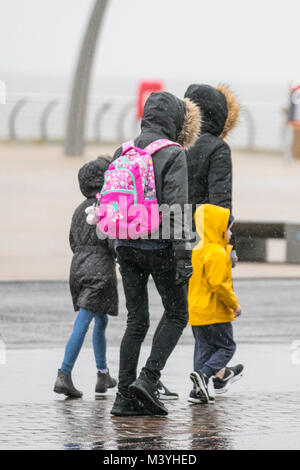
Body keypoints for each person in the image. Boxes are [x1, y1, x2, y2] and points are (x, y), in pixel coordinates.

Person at [110, 91, 201, 416]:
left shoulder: (125, 149)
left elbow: (112, 197)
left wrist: (116, 246)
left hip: (125, 243)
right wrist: (183, 255)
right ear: (174, 121)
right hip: (158, 244)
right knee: (177, 313)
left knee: (136, 321)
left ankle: (123, 398)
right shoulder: (172, 152)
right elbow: (177, 206)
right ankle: (148, 380)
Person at [53, 157, 118, 398]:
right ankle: (64, 373)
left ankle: (103, 375)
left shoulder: (80, 209)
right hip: (99, 270)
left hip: (78, 267)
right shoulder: (106, 207)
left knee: (100, 320)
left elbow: (72, 240)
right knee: (84, 321)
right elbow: (112, 241)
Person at [188, 204, 244, 404]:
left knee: (203, 349)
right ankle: (204, 375)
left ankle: (196, 391)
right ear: (218, 228)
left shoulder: (198, 250)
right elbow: (220, 284)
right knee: (227, 347)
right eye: (229, 229)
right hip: (215, 311)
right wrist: (234, 305)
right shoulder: (217, 253)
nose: (230, 233)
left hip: (196, 310)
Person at [184, 83, 240, 265]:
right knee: (206, 292)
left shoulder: (175, 143)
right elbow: (221, 201)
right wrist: (228, 245)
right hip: (203, 236)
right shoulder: (217, 148)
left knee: (179, 292)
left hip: (173, 233)